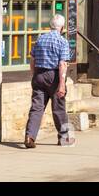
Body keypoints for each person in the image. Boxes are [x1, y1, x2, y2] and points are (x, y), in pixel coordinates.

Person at [24, 14, 74, 148]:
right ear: (62, 27)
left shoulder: (40, 39)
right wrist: (62, 85)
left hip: (39, 74)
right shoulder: (62, 41)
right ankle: (64, 138)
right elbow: (62, 65)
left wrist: (34, 76)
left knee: (36, 108)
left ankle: (30, 136)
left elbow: (32, 60)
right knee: (59, 109)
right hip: (54, 76)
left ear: (50, 26)